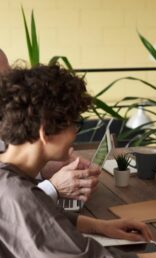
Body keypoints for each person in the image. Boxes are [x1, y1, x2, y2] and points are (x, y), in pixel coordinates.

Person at [0, 64, 156, 258]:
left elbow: (38, 218)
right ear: (45, 133)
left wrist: (100, 226)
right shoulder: (17, 194)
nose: (75, 133)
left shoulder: (10, 180)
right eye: (73, 124)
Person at [0, 48, 100, 202]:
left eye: (6, 77)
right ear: (45, 131)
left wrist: (44, 164)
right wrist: (53, 188)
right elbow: (13, 204)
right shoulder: (14, 194)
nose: (6, 89)